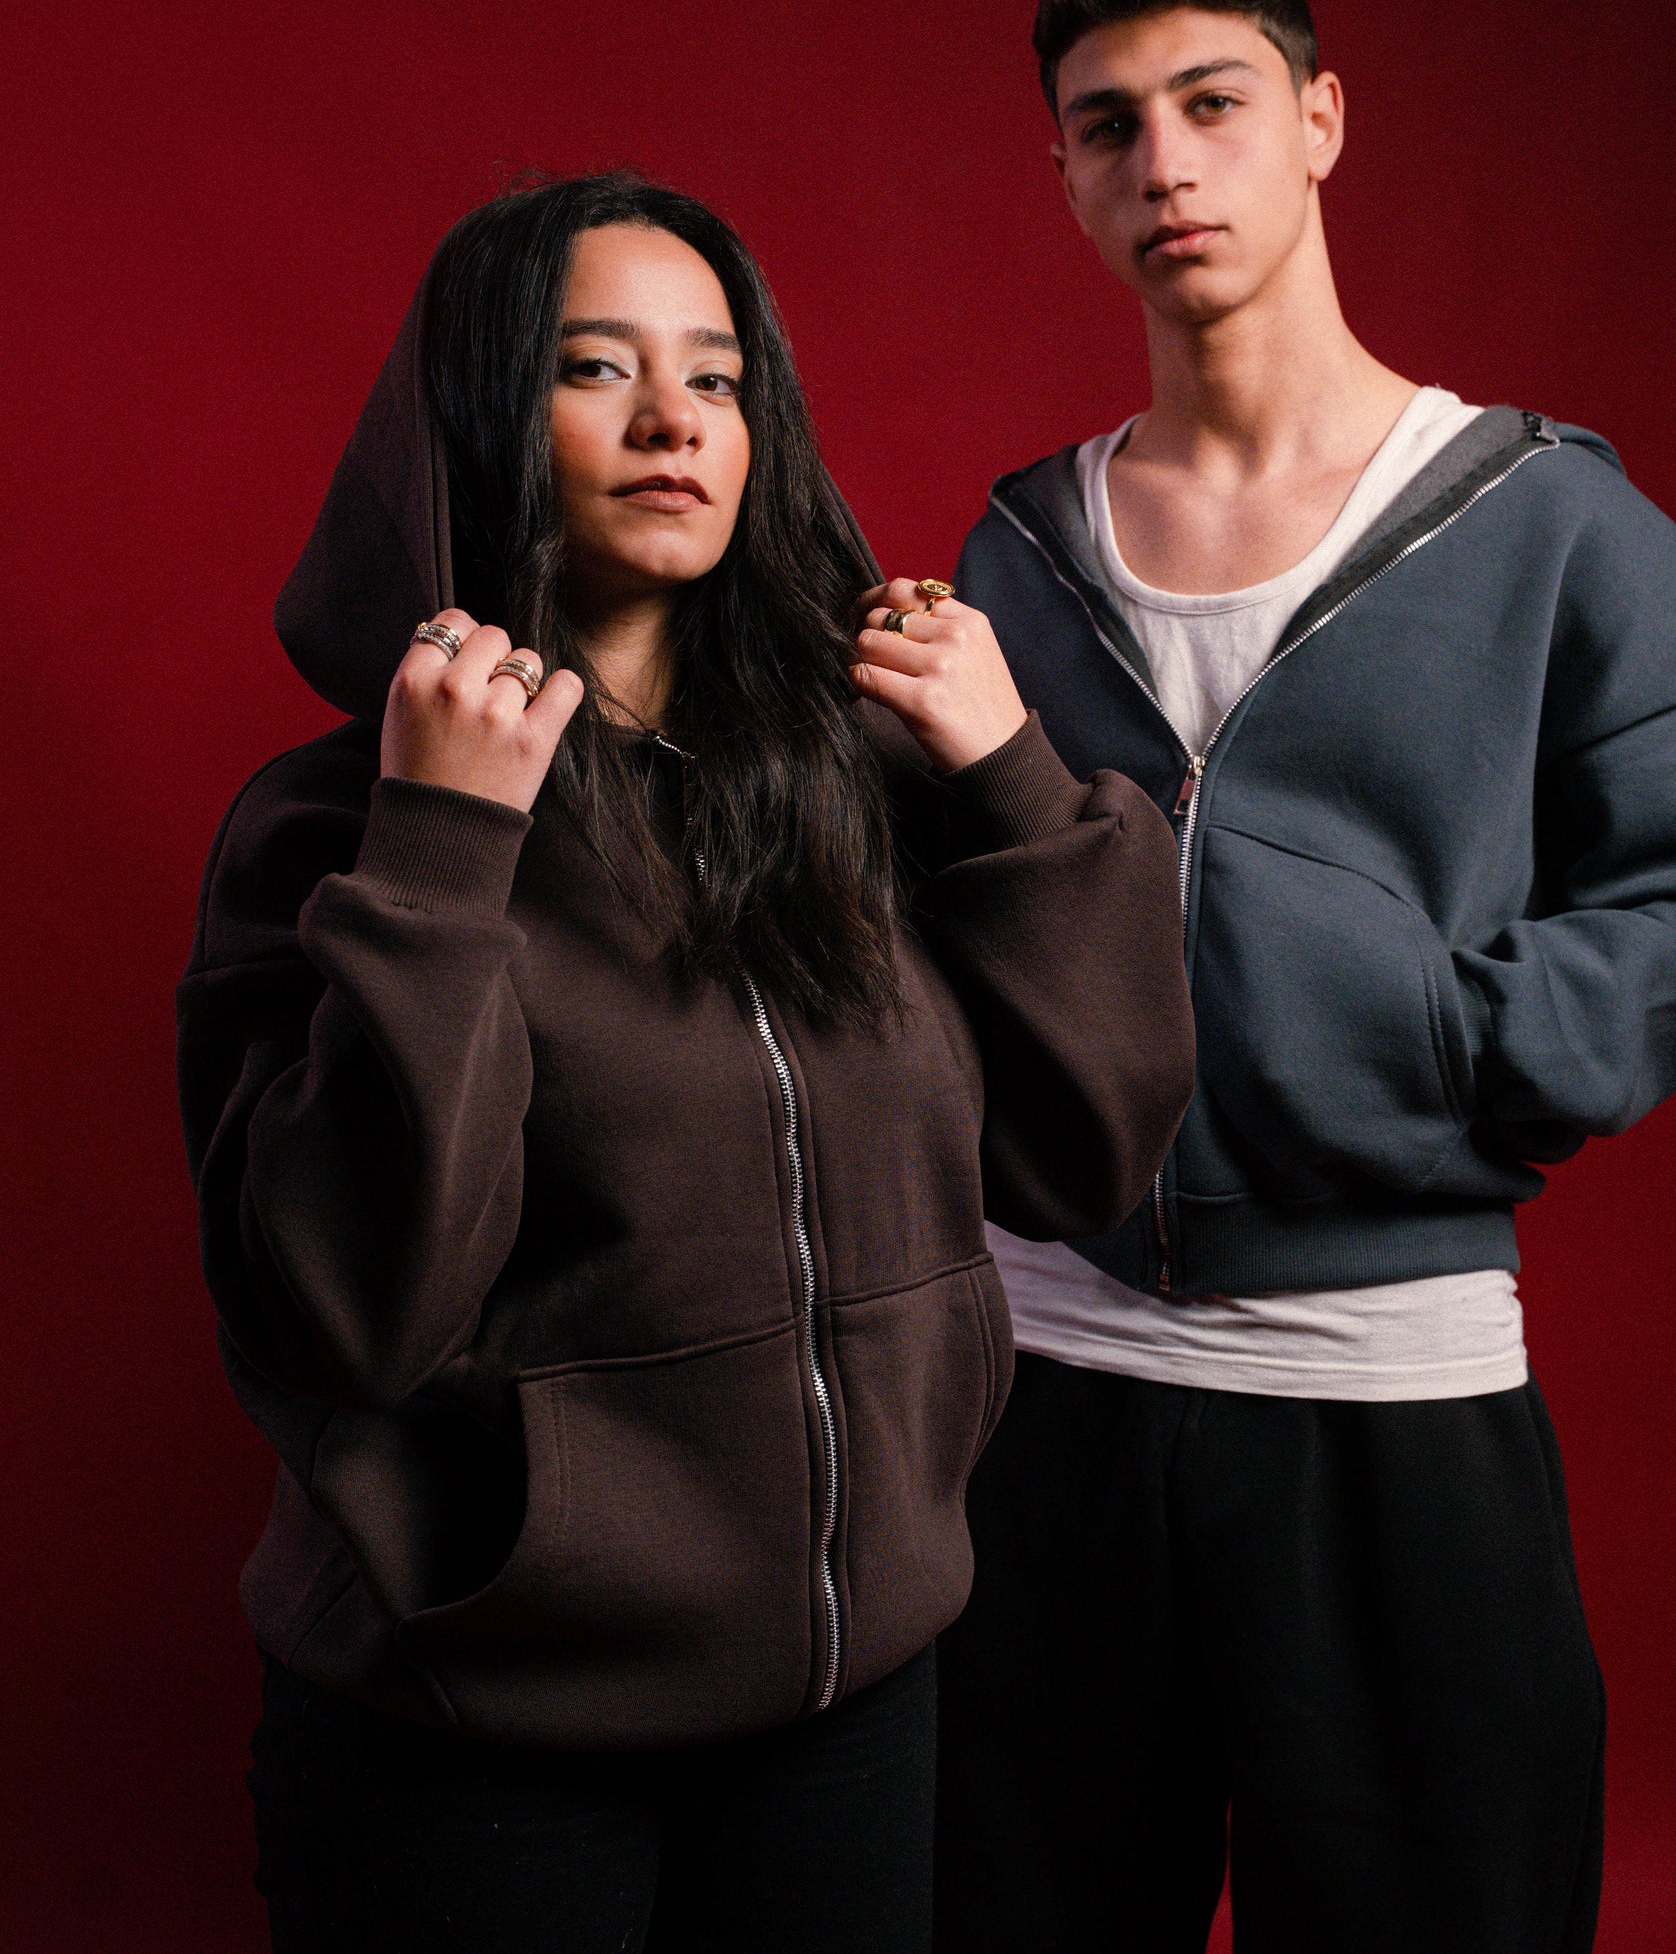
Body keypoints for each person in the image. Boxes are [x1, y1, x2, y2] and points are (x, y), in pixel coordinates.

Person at [177, 170, 1196, 1953]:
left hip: (854, 1702)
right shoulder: (342, 824)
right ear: (486, 418)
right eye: (596, 368)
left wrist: (1013, 783)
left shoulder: (861, 779)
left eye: (716, 377)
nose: (674, 422)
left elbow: (1086, 1148)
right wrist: (441, 853)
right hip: (482, 1736)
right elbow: (345, 1314)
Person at [935, 0, 1676, 1954]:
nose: (1165, 163)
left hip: (1386, 1399)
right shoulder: (1017, 549)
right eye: (1108, 125)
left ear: (1319, 118)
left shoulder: (1537, 518)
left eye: (1213, 102)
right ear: (1062, 174)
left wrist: (1421, 1043)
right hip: (1041, 1398)